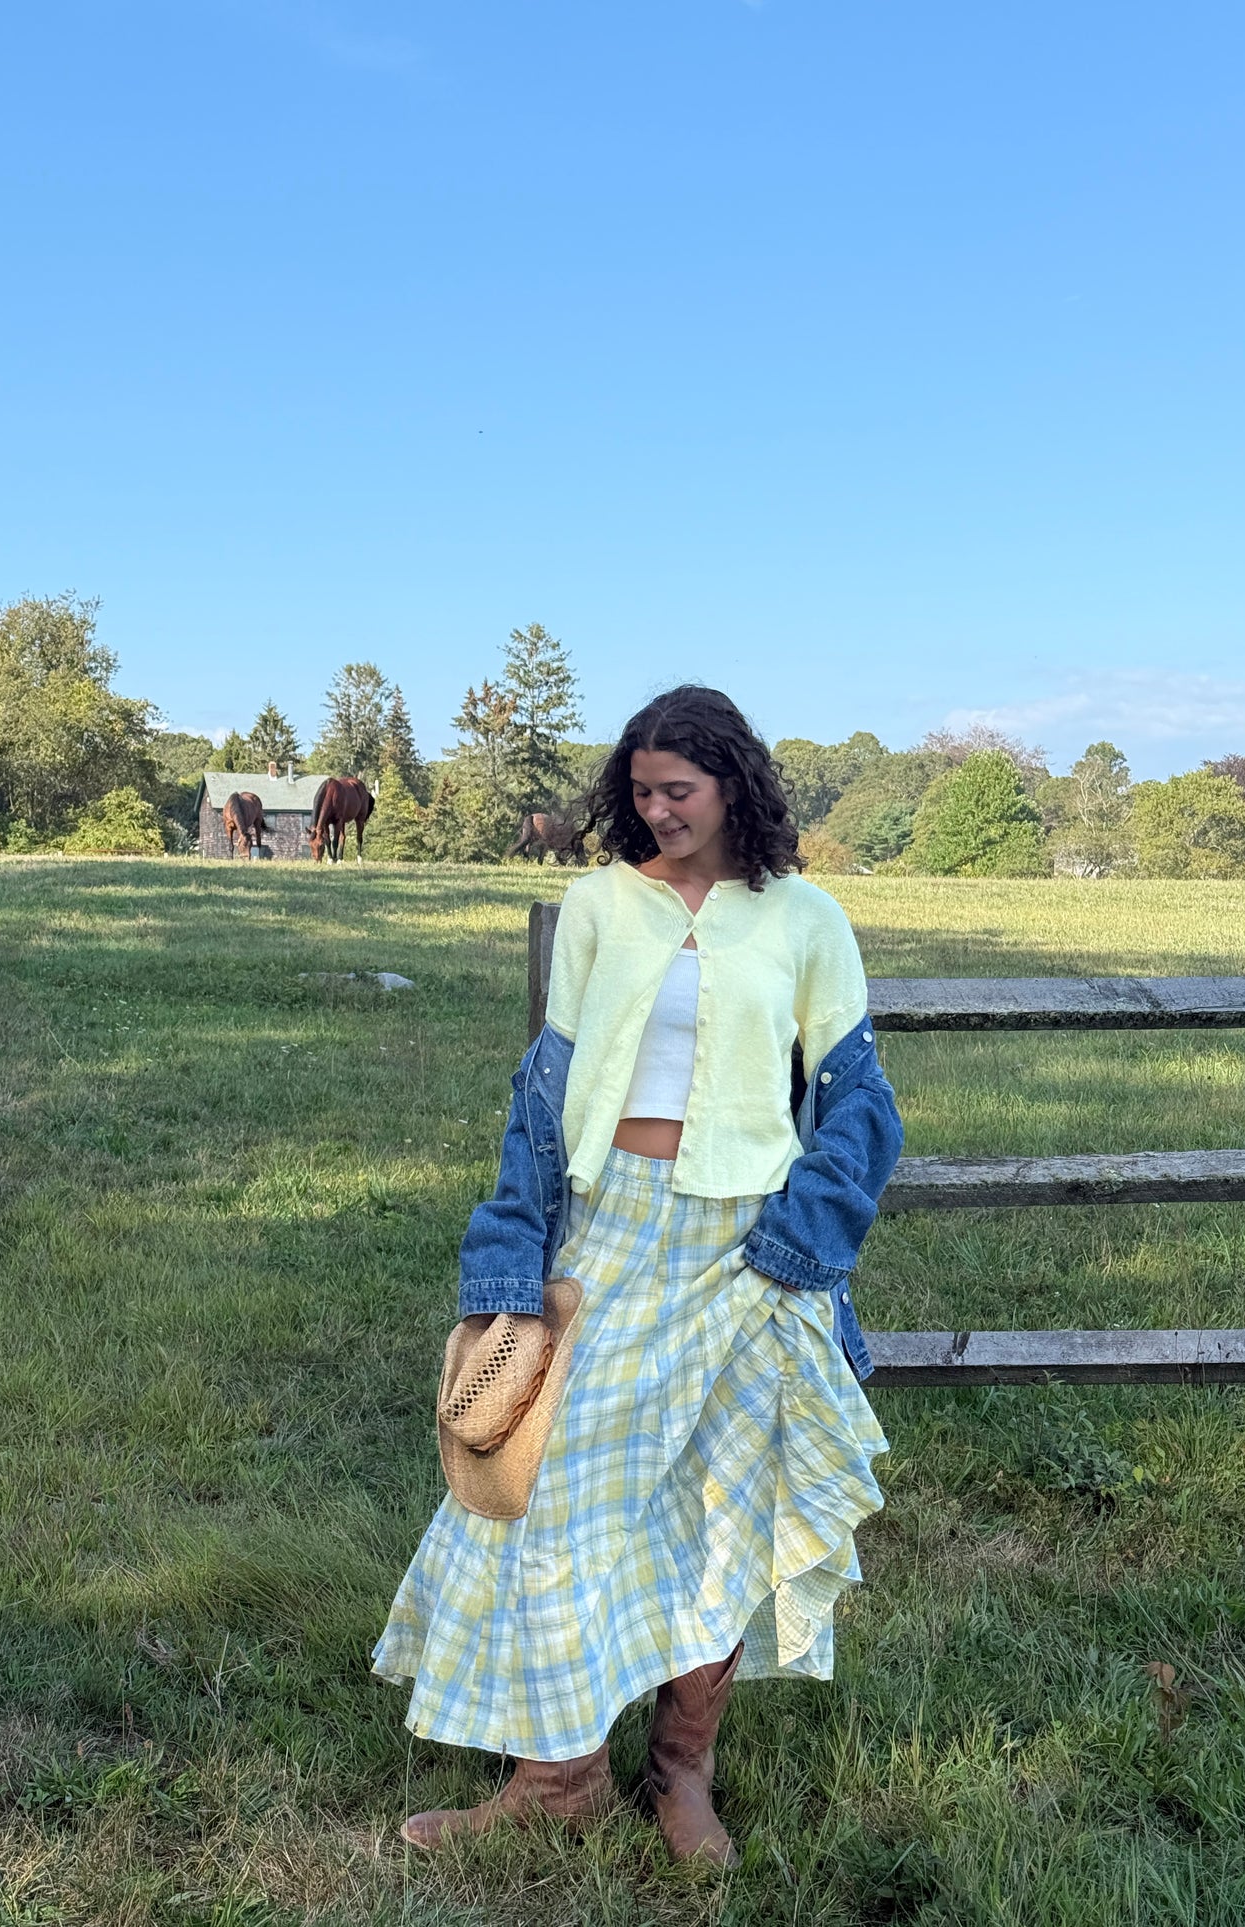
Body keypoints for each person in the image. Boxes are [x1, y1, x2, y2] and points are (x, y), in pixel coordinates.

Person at [372, 685, 903, 1867]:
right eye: (642, 791)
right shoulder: (601, 905)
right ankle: (553, 1779)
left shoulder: (805, 918)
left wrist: (799, 1237)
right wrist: (509, 1252)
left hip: (744, 1256)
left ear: (732, 788)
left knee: (721, 1514)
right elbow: (543, 1090)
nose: (656, 811)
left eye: (679, 791)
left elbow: (858, 1101)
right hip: (606, 1237)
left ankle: (679, 1772)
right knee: (549, 1499)